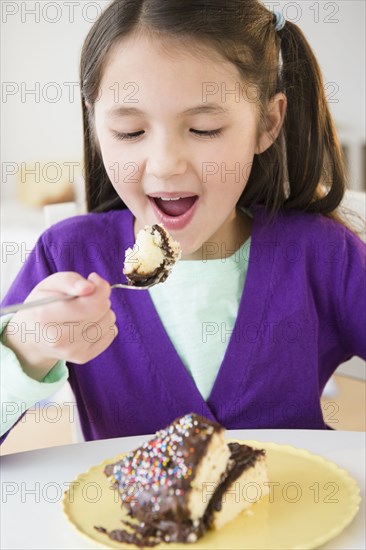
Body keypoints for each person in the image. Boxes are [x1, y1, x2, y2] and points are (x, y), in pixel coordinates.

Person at [1, 0, 365, 443]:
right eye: (130, 132)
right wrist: (26, 348)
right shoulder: (67, 256)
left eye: (204, 129)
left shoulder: (323, 254)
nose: (165, 165)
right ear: (96, 128)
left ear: (268, 124)